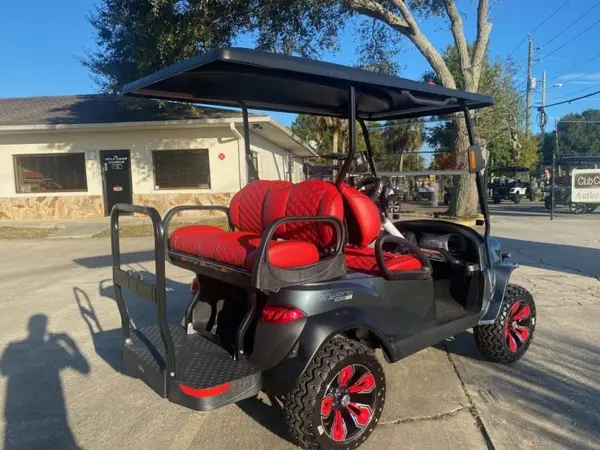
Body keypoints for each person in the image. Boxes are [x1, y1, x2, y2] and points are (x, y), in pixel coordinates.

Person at [0, 315, 89, 450]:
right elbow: (84, 368)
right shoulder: (55, 348)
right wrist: (70, 343)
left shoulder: (13, 348)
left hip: (20, 422)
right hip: (52, 416)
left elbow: (4, 370)